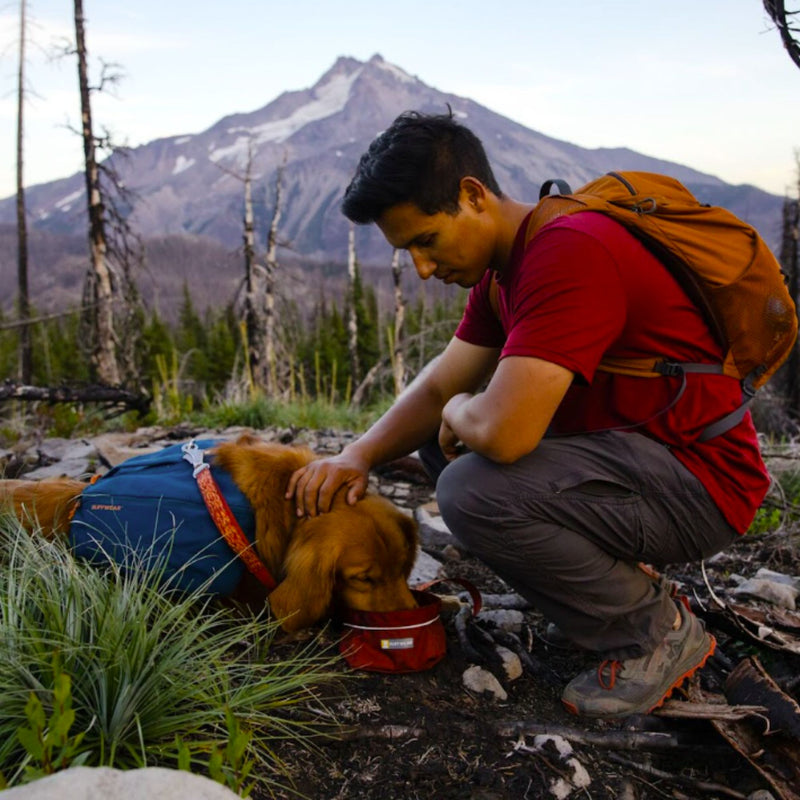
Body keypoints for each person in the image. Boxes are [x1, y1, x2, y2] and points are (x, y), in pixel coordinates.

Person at [285, 110, 770, 718]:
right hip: (638, 464)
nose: (423, 269)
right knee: (443, 443)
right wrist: (356, 455)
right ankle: (611, 588)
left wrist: (461, 407)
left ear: (472, 196)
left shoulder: (569, 252)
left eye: (426, 241)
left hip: (700, 487)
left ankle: (654, 633)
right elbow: (440, 385)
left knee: (470, 487)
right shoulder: (504, 271)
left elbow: (503, 433)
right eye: (408, 251)